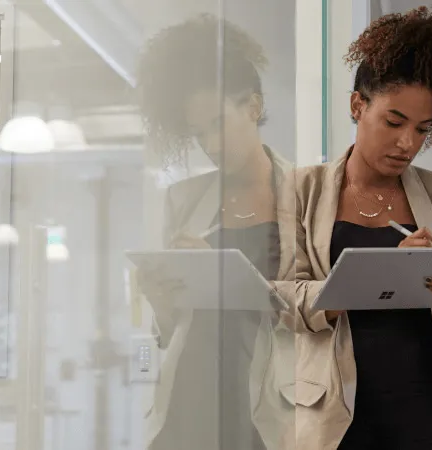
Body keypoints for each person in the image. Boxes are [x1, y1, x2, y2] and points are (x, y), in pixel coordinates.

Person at [280, 6, 432, 449]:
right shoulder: (298, 189)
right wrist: (371, 279)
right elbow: (279, 297)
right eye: (394, 122)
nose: (407, 144)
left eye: (422, 130)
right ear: (358, 105)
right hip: (339, 422)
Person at [135, 14, 291, 450]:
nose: (209, 143)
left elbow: (320, 316)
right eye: (198, 132)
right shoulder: (182, 201)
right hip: (191, 401)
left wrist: (226, 274)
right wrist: (161, 300)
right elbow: (171, 329)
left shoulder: (309, 194)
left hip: (268, 406)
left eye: (217, 123)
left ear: (254, 107)